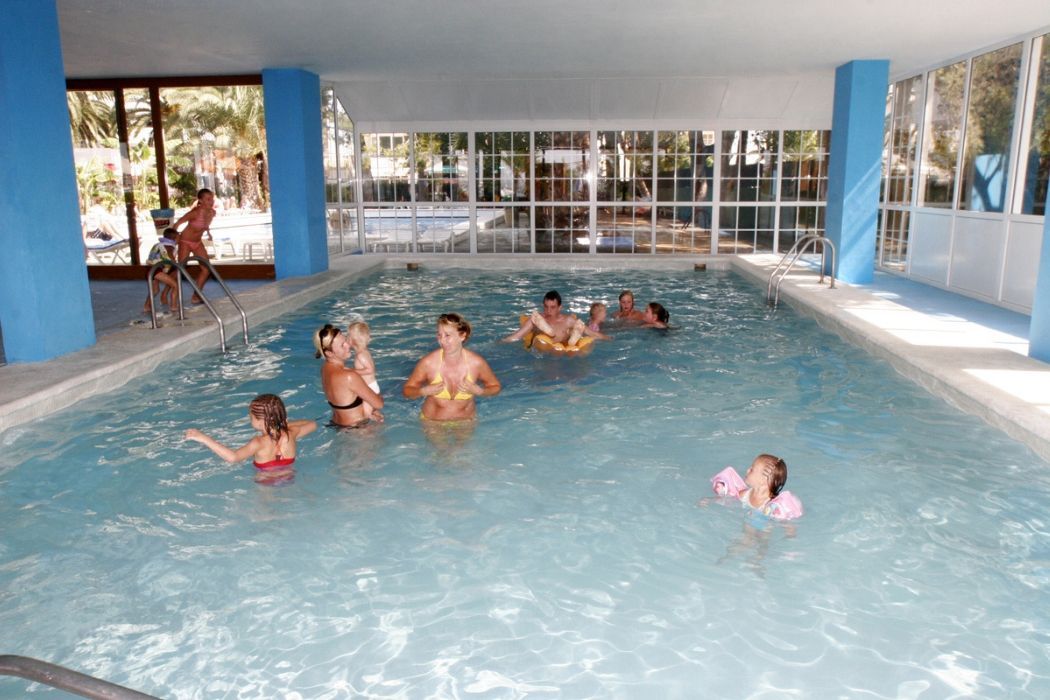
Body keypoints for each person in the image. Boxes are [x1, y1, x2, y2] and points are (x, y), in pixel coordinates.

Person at [183, 394, 317, 480]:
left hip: (265, 482)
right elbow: (312, 424)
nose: (249, 418)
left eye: (250, 416)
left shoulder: (258, 442)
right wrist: (281, 425)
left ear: (259, 421)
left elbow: (233, 457)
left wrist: (203, 437)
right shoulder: (291, 433)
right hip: (289, 477)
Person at [404, 313, 501, 421]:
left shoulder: (476, 363)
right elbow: (407, 391)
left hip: (465, 422)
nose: (442, 340)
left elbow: (495, 387)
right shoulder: (428, 363)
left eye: (447, 335)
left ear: (462, 335)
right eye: (439, 335)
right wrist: (423, 391)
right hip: (433, 422)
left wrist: (480, 392)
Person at [315, 323, 384, 427]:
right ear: (329, 353)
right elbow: (379, 404)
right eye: (342, 345)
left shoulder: (324, 369)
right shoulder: (349, 376)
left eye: (345, 340)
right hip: (358, 429)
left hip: (335, 424)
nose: (348, 345)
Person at [709, 454, 803, 520]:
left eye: (752, 469)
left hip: (764, 528)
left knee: (765, 528)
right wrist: (710, 500)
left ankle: (762, 548)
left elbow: (787, 522)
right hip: (750, 523)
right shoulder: (744, 495)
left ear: (763, 480)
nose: (747, 470)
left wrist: (790, 533)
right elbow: (728, 498)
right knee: (749, 527)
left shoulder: (771, 505)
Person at [173, 188, 216, 305]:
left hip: (197, 243)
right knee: (180, 269)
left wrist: (208, 233)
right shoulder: (195, 212)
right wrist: (174, 240)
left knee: (206, 269)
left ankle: (196, 296)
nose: (211, 201)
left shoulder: (212, 213)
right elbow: (177, 224)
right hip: (185, 241)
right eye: (208, 199)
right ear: (200, 200)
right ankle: (168, 291)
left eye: (212, 198)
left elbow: (205, 225)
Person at [503, 289, 586, 347]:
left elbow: (591, 333)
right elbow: (517, 336)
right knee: (541, 339)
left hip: (562, 350)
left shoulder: (569, 321)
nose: (548, 311)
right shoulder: (536, 319)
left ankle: (572, 335)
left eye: (552, 307)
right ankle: (548, 331)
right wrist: (500, 342)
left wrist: (599, 336)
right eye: (546, 307)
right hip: (543, 349)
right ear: (543, 305)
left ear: (560, 308)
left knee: (574, 329)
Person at [347, 321, 380, 419]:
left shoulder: (361, 354)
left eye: (348, 336)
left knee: (366, 415)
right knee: (369, 411)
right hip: (369, 387)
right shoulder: (362, 353)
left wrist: (352, 371)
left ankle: (370, 432)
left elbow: (370, 370)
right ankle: (376, 417)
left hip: (369, 388)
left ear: (353, 340)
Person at [143, 228, 180, 313]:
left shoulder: (159, 244)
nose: (180, 239)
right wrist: (175, 262)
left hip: (151, 269)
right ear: (174, 238)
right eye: (179, 237)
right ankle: (174, 306)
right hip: (156, 269)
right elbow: (170, 254)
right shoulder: (169, 246)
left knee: (155, 290)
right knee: (175, 285)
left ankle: (147, 306)